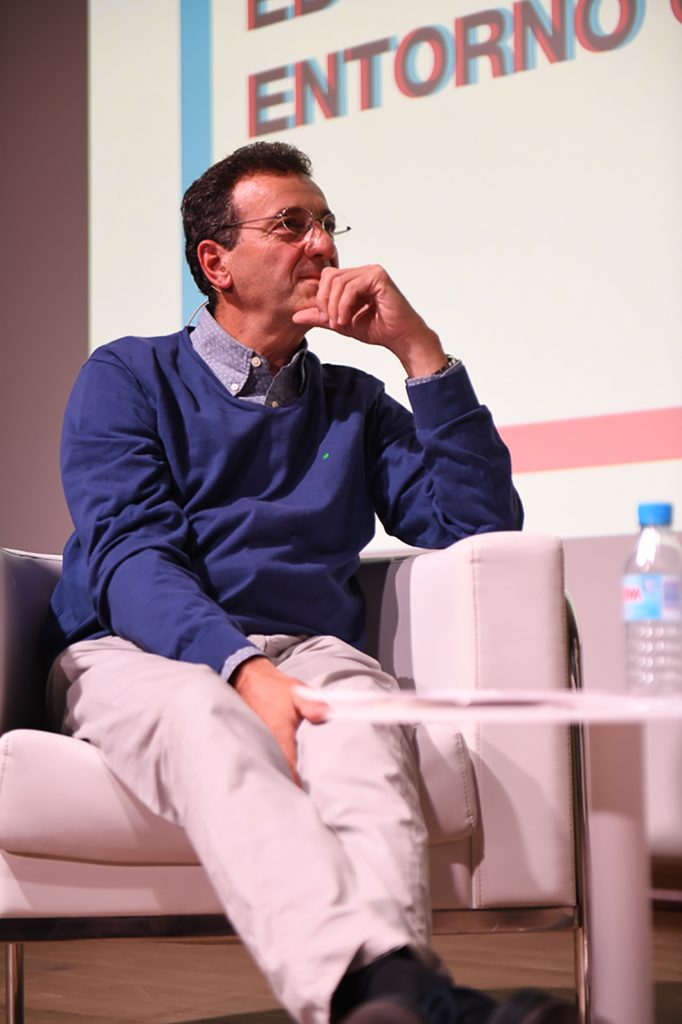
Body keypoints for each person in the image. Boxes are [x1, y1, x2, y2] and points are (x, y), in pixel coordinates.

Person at [45, 142, 575, 1024]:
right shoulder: (128, 375)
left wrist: (419, 352)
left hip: (309, 649)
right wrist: (239, 667)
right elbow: (131, 555)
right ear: (216, 262)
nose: (322, 245)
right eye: (291, 224)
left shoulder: (353, 404)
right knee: (205, 714)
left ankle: (388, 1004)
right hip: (137, 650)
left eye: (327, 224)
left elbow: (478, 529)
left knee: (363, 732)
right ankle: (399, 993)